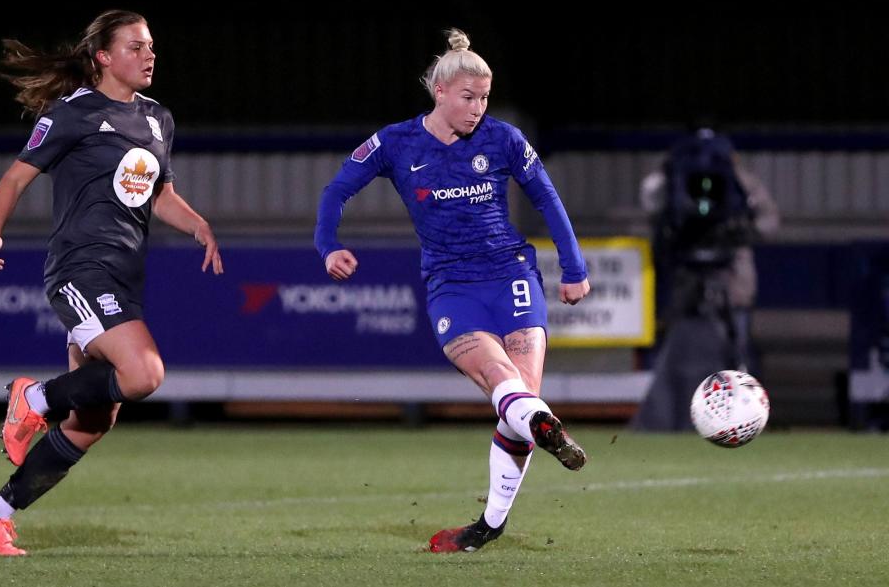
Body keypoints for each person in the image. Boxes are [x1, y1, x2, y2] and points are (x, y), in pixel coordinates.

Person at [315, 28, 590, 553]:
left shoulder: (504, 138)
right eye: (468, 98)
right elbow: (337, 189)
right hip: (452, 287)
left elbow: (548, 199)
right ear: (438, 92)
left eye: (485, 98)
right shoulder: (396, 143)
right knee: (507, 389)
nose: (477, 109)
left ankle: (490, 522)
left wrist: (573, 268)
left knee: (518, 405)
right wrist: (328, 246)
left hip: (512, 277)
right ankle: (521, 471)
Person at [0, 10, 224, 556]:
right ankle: (32, 396)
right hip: (80, 270)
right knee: (144, 371)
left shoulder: (158, 119)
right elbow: (16, 177)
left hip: (125, 277)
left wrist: (197, 222)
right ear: (103, 57)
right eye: (135, 46)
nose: (149, 54)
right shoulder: (74, 113)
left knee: (92, 422)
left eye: (151, 45)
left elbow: (158, 194)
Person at [632, 128, 779, 430]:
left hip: (731, 282)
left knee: (734, 355)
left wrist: (737, 229)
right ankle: (677, 421)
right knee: (678, 351)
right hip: (688, 280)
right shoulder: (674, 178)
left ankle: (738, 420)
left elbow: (767, 222)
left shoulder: (739, 183)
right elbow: (653, 205)